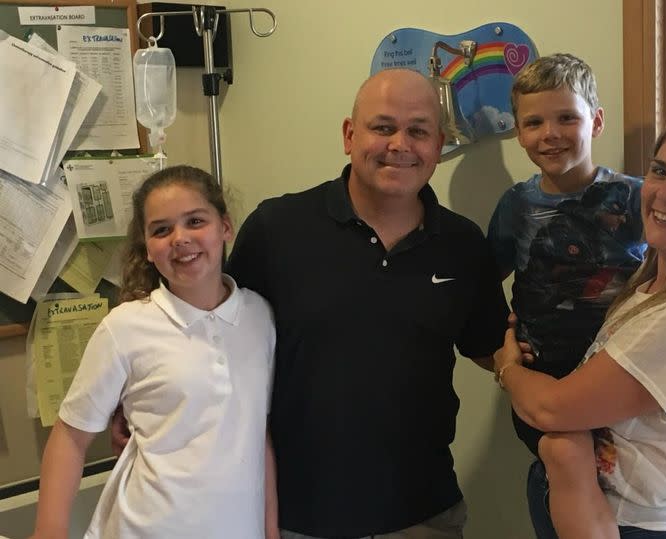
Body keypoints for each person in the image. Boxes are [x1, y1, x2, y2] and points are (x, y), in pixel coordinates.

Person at [225, 69, 508, 538]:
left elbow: (493, 348)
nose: (400, 143)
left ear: (438, 146)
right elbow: (215, 336)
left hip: (423, 515)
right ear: (349, 135)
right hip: (296, 517)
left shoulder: (462, 243)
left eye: (418, 131)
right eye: (383, 127)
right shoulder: (277, 229)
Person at [493, 111, 666, 539]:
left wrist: (508, 367)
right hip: (647, 512)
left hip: (624, 522)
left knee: (561, 445)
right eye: (661, 171)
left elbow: (550, 410)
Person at [32, 166, 280, 539]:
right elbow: (70, 436)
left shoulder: (260, 317)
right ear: (148, 249)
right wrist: (48, 532)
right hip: (147, 528)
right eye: (161, 230)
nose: (180, 238)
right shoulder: (125, 327)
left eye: (195, 221)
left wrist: (270, 530)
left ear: (225, 227)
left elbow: (256, 433)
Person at [486, 51, 646, 508]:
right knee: (566, 464)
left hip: (620, 376)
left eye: (566, 118)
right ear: (518, 132)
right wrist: (505, 344)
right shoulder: (516, 206)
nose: (550, 134)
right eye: (534, 122)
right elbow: (480, 287)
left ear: (595, 121)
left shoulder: (635, 198)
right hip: (545, 379)